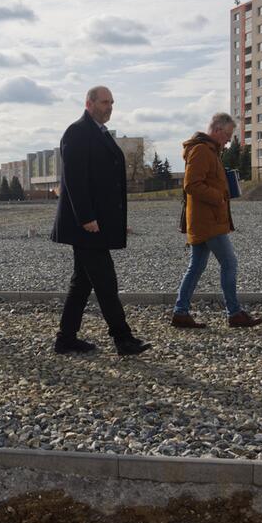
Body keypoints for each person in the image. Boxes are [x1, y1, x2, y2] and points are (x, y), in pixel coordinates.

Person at [51, 86, 151, 356]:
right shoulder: (78, 132)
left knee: (82, 283)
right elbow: (75, 180)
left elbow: (106, 183)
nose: (110, 107)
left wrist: (116, 221)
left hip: (95, 223)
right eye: (105, 102)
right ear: (89, 103)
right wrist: (86, 218)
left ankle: (65, 339)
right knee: (106, 281)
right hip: (84, 225)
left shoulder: (99, 132)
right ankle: (123, 339)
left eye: (112, 103)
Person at [171, 113, 262, 330]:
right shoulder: (202, 150)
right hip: (208, 221)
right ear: (218, 130)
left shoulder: (209, 150)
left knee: (196, 266)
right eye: (228, 135)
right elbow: (191, 185)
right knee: (229, 263)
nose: (228, 141)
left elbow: (201, 182)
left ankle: (180, 313)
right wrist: (219, 196)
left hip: (204, 220)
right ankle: (234, 313)